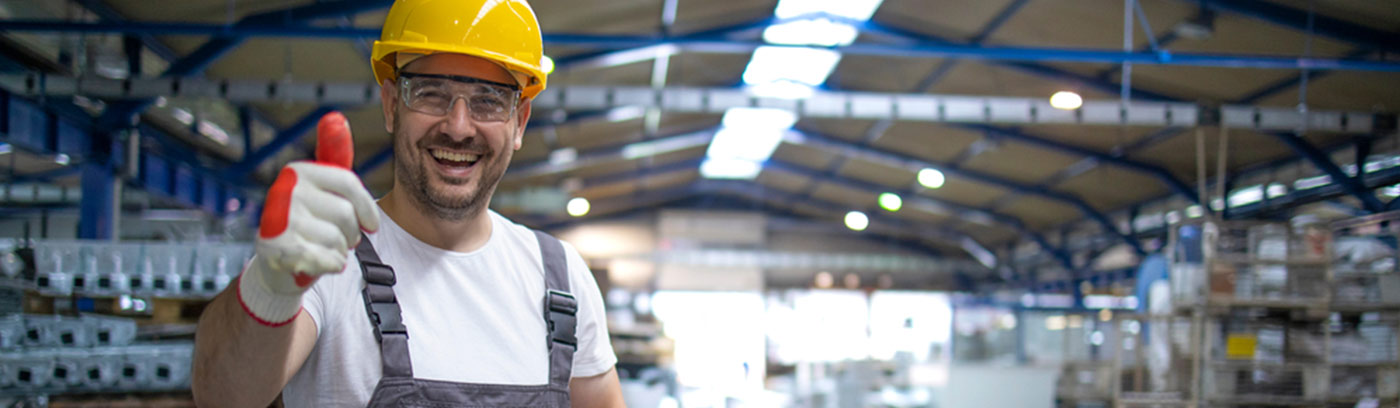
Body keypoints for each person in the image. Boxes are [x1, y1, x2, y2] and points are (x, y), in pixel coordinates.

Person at [190, 0, 625, 406]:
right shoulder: (327, 258)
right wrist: (270, 288)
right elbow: (223, 396)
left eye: (488, 101)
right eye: (431, 93)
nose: (458, 127)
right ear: (391, 104)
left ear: (519, 122)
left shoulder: (561, 278)